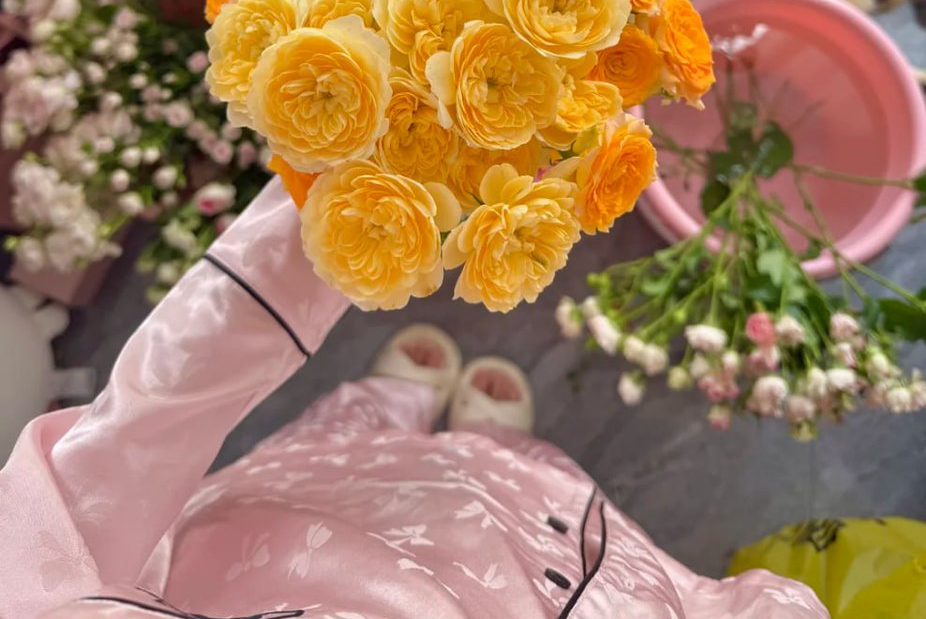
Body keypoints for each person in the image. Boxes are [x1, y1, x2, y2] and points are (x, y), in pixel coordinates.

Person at [0, 180, 828, 618]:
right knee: (502, 492)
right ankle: (492, 454)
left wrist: (327, 207)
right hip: (537, 585)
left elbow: (105, 475)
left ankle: (377, 420)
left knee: (329, 472)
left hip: (270, 549)